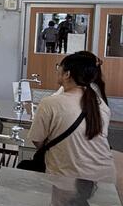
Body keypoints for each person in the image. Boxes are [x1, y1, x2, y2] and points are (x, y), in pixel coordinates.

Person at [29, 53, 115, 182]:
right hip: (105, 177)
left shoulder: (49, 103)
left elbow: (37, 140)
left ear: (67, 74)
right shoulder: (99, 103)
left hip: (68, 177)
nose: (57, 69)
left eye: (59, 66)